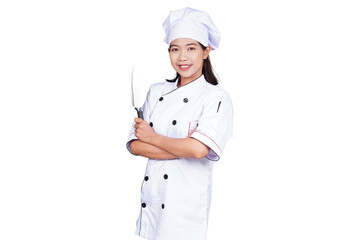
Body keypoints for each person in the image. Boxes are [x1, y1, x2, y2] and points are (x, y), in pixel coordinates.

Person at [126, 7, 233, 240]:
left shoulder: (215, 97)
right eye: (175, 49)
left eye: (191, 48)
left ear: (206, 51)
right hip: (152, 201)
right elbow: (134, 146)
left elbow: (198, 150)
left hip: (184, 208)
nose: (182, 57)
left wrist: (154, 139)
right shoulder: (156, 91)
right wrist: (182, 148)